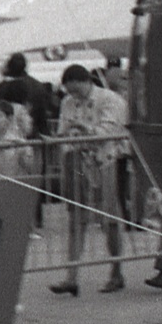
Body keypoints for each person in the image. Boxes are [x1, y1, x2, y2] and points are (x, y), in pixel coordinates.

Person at [52, 64, 129, 296]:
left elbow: (107, 131)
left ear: (86, 81)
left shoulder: (110, 100)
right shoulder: (68, 102)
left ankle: (116, 273)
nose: (73, 96)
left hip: (104, 161)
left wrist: (82, 129)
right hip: (76, 161)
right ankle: (71, 277)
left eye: (77, 90)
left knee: (109, 220)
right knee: (76, 219)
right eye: (70, 92)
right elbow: (63, 130)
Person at [0, 53, 52, 137]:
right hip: (34, 135)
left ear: (9, 66)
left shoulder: (2, 87)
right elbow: (42, 119)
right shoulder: (38, 86)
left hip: (6, 135)